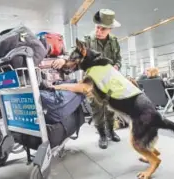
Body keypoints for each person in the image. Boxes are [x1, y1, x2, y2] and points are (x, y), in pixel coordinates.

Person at [52, 9, 122, 149]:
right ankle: (102, 134)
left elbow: (118, 59)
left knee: (110, 108)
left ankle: (111, 131)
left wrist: (116, 66)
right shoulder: (87, 41)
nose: (99, 31)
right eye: (97, 27)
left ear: (110, 29)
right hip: (92, 81)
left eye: (103, 29)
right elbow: (74, 54)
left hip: (109, 80)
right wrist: (63, 60)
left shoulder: (114, 42)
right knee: (97, 109)